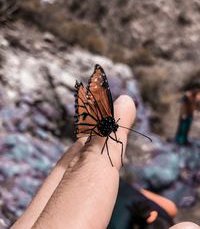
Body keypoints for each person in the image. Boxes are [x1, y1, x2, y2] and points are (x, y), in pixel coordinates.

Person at [10, 95, 199, 229]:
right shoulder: (165, 213)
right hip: (105, 191)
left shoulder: (165, 212)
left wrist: (129, 189)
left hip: (112, 189)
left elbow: (165, 205)